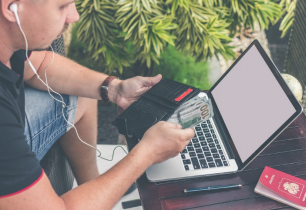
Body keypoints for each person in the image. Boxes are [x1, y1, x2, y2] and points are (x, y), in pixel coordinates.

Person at [0, 0, 195, 209]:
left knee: (81, 92)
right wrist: (146, 154)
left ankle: (94, 187)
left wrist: (113, 88)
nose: (74, 16)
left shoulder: (10, 40)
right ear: (11, 7)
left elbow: (36, 64)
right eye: (63, 6)